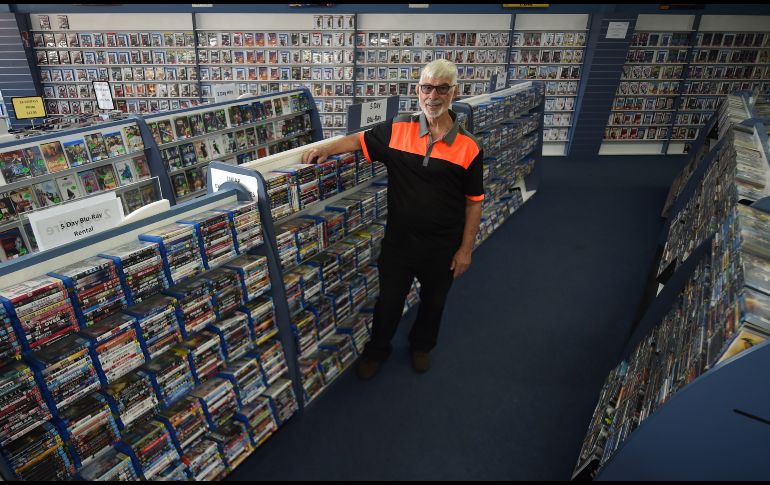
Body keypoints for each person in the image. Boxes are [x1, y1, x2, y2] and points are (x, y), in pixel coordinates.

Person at [301, 59, 483, 379]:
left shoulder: (469, 147)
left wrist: (465, 249)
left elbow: (474, 203)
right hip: (399, 242)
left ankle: (421, 346)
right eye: (427, 88)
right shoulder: (398, 130)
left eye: (442, 88)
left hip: (443, 246)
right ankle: (378, 350)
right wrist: (327, 147)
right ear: (418, 91)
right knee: (388, 301)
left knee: (433, 302)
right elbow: (359, 141)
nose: (433, 96)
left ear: (454, 92)